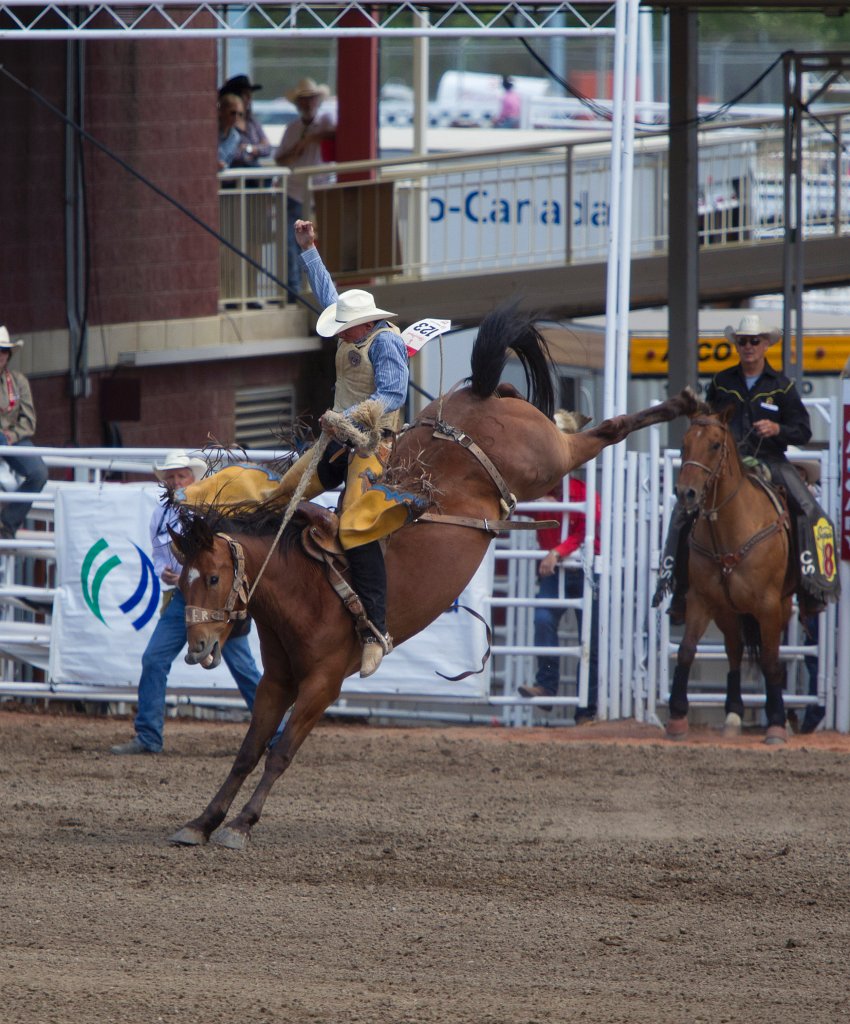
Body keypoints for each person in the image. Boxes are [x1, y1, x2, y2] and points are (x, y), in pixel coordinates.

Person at [265, 218, 409, 677]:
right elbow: (330, 297)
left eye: (346, 327)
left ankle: (375, 631)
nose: (340, 332)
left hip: (371, 442)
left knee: (356, 525)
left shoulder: (387, 344)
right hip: (336, 437)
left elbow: (393, 395)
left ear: (365, 323)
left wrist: (352, 417)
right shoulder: (356, 330)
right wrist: (309, 249)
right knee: (285, 489)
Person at [653, 313, 840, 624]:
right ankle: (678, 588)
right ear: (737, 345)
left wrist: (777, 429)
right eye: (743, 341)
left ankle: (811, 589)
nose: (749, 346)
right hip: (725, 465)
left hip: (771, 460)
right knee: (682, 511)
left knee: (810, 510)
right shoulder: (721, 382)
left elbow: (803, 431)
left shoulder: (782, 386)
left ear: (766, 344)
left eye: (755, 341)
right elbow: (706, 421)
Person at [111, 451, 263, 755]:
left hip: (212, 599)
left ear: (193, 479)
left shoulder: (209, 510)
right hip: (188, 596)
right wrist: (163, 573)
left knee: (242, 666)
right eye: (171, 477)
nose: (176, 481)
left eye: (181, 476)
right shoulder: (163, 514)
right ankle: (148, 736)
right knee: (156, 659)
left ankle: (276, 733)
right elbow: (157, 555)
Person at [518, 414, 601, 723]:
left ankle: (586, 707)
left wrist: (556, 551)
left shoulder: (580, 493)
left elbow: (585, 533)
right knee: (543, 619)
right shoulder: (545, 494)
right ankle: (547, 687)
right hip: (558, 569)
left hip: (581, 569)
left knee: (589, 637)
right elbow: (515, 507)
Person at [273, 78, 337, 301]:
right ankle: (294, 291)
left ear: (318, 100)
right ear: (298, 104)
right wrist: (298, 148)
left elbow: (337, 134)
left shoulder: (327, 120)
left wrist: (311, 138)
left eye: (311, 99)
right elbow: (280, 158)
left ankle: (325, 291)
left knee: (324, 244)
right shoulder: (292, 129)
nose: (308, 103)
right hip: (296, 193)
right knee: (293, 246)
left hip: (322, 193)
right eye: (304, 100)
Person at [0, 326, 48, 539]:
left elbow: (29, 422)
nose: (0, 355)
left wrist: (11, 436)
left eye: (3, 350)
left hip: (11, 439)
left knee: (39, 473)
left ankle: (7, 523)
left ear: (8, 355)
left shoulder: (19, 381)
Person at [219, 74, 271, 170]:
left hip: (253, 175)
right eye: (245, 94)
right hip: (233, 178)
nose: (249, 98)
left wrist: (249, 149)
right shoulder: (227, 128)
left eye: (239, 114)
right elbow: (230, 155)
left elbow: (267, 148)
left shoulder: (252, 123)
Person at [217, 92, 248, 170]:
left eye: (240, 114)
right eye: (233, 113)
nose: (236, 117)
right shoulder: (211, 132)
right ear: (221, 111)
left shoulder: (235, 136)